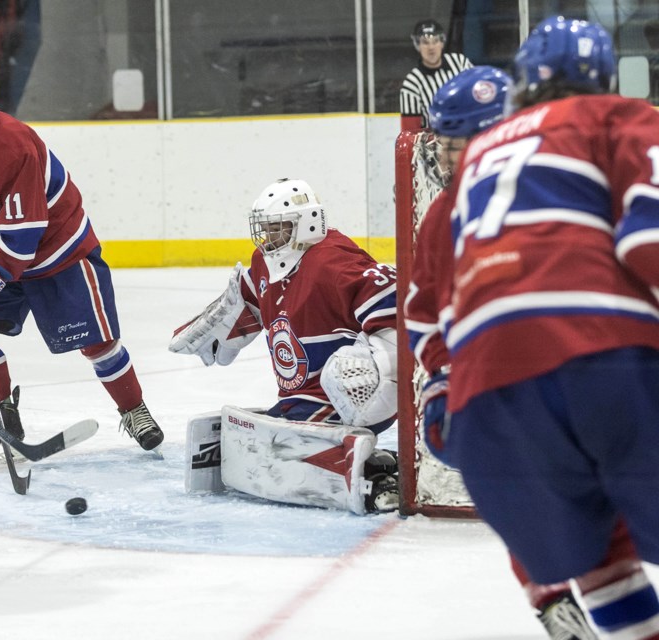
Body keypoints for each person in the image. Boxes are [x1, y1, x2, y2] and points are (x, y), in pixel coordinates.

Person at [423, 16, 659, 637]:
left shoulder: (476, 165)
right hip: (603, 357)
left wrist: (441, 385)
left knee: (601, 547)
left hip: (488, 395)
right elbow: (647, 241)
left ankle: (559, 597)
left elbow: (443, 311)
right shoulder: (614, 116)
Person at [406, 65, 597, 640]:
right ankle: (553, 596)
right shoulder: (443, 217)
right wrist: (441, 374)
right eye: (442, 144)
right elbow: (422, 311)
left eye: (459, 144)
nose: (446, 158)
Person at [0, 59, 164, 462]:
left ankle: (134, 409)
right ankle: (1, 418)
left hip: (57, 250)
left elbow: (22, 240)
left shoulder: (13, 146)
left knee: (97, 342)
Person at [170, 178, 400, 513]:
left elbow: (397, 313)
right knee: (264, 446)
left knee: (277, 453)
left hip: (347, 398)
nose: (268, 239)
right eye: (265, 229)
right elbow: (247, 300)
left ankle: (375, 475)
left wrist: (380, 374)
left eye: (277, 229)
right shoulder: (265, 261)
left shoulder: (333, 263)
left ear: (305, 225)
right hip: (298, 401)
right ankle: (376, 462)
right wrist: (219, 319)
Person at [399, 19, 474, 132]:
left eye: (435, 41)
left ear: (442, 43)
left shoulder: (460, 62)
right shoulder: (412, 84)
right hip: (435, 146)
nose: (431, 47)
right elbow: (410, 134)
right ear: (417, 45)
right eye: (425, 42)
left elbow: (478, 94)